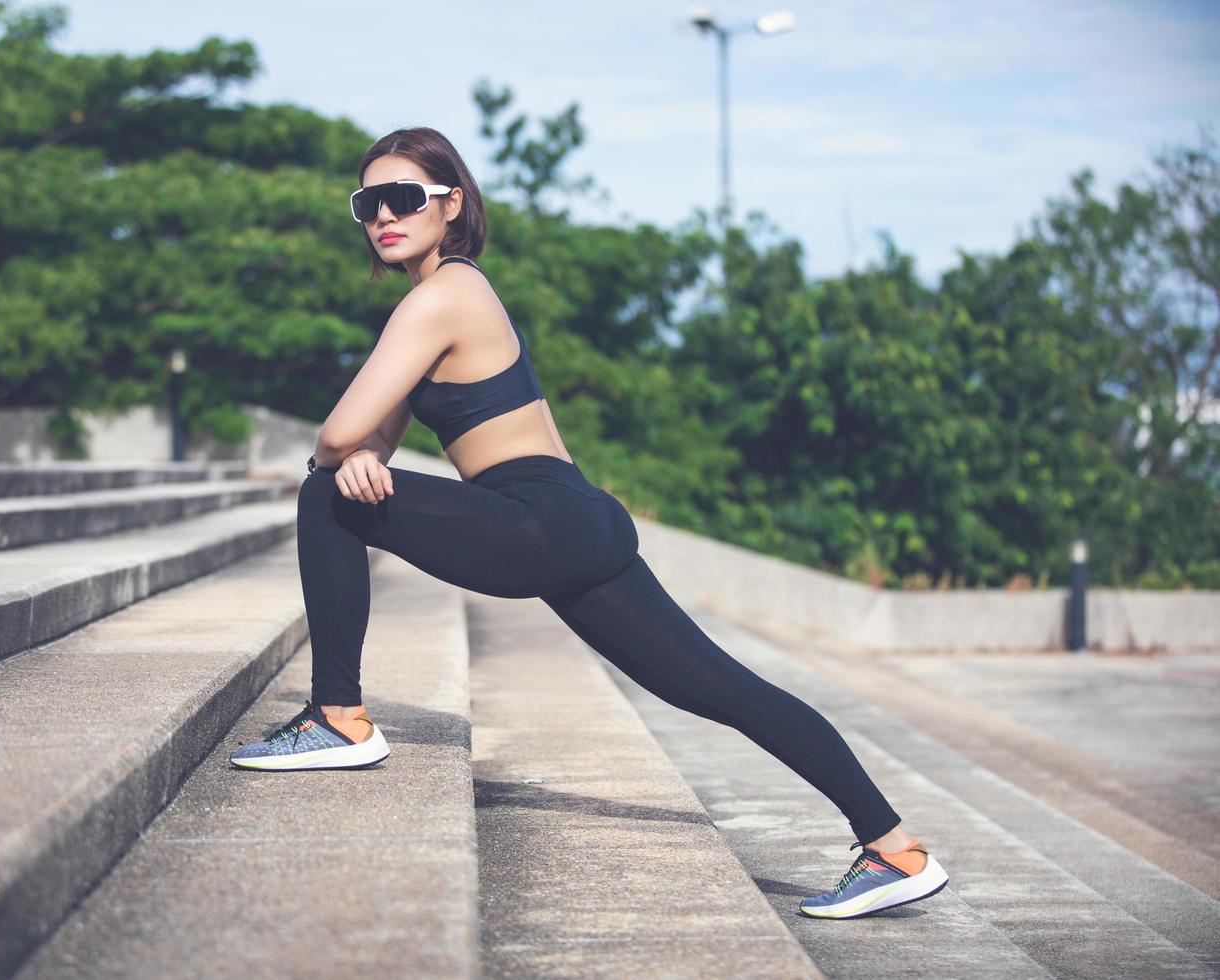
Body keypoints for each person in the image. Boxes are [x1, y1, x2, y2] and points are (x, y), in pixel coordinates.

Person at [228, 126, 949, 919]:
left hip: (535, 517)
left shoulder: (446, 293)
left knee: (320, 495)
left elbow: (333, 436)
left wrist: (345, 459)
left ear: (451, 203)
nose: (383, 217)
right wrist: (357, 457)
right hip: (575, 518)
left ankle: (338, 715)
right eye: (369, 203)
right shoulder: (444, 300)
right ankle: (895, 847)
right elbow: (366, 438)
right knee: (720, 688)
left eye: (403, 198)